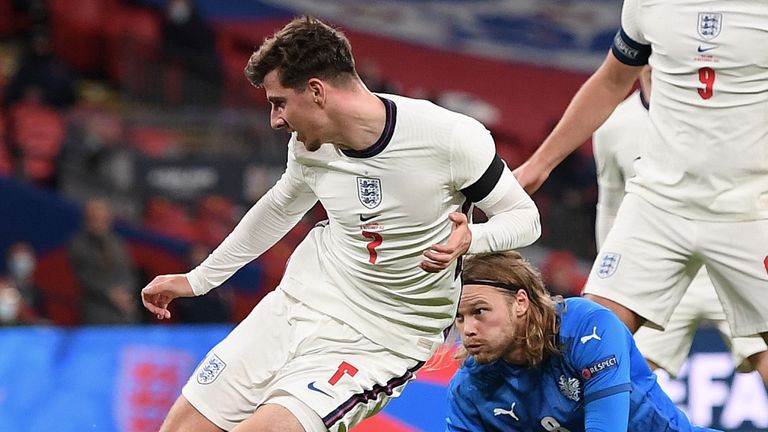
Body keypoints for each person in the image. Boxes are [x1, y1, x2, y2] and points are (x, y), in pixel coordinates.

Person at [140, 16, 541, 432]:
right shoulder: (309, 146)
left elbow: (525, 219)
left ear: (316, 91)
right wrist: (199, 279)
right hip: (298, 303)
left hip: (383, 336)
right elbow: (280, 207)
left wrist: (471, 238)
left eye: (279, 102)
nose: (275, 120)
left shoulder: (449, 138)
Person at [513, 2, 768, 345]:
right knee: (591, 344)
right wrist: (538, 165)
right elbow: (612, 81)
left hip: (751, 210)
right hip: (659, 205)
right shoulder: (647, 4)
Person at [593, 66, 768, 384]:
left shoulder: (724, 111)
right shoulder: (612, 126)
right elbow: (610, 206)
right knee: (622, 372)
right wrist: (613, 275)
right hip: (662, 263)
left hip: (732, 255)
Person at [446, 251, 719, 431]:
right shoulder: (469, 388)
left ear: (520, 302)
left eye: (479, 312)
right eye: (459, 317)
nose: (467, 329)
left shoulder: (588, 328)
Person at [69, 197, 139, 325]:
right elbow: (85, 276)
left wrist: (126, 293)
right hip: (97, 311)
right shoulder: (78, 244)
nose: (99, 222)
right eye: (94, 218)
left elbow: (128, 271)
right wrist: (110, 294)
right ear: (87, 219)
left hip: (123, 310)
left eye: (102, 217)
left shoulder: (118, 243)